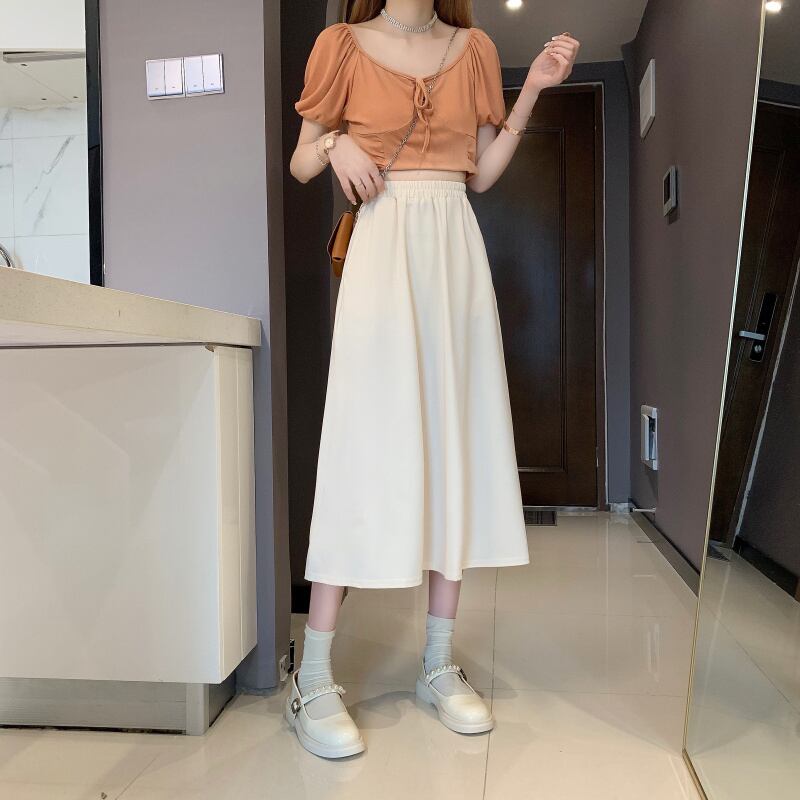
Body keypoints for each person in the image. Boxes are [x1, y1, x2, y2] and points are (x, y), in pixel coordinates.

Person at [288, 0, 579, 759]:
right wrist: (336, 143)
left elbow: (482, 173)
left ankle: (438, 662)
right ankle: (312, 675)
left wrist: (533, 88)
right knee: (361, 448)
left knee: (455, 441)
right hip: (382, 245)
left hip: (453, 248)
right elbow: (302, 159)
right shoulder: (340, 44)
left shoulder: (474, 48)